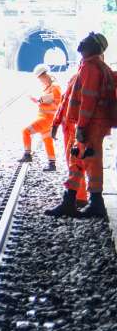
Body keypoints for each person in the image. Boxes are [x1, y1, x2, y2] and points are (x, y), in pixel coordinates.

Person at [47, 32, 115, 217]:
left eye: (87, 40)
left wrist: (82, 127)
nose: (82, 41)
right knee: (77, 159)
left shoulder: (91, 68)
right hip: (89, 124)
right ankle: (68, 201)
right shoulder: (91, 66)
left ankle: (96, 204)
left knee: (91, 162)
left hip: (91, 124)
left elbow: (88, 101)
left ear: (95, 47)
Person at [20, 63, 61, 170]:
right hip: (47, 118)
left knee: (25, 131)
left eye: (40, 78)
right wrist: (38, 100)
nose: (40, 81)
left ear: (45, 75)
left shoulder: (55, 87)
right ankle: (52, 164)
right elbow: (47, 100)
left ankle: (27, 155)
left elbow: (56, 100)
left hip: (46, 118)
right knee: (47, 140)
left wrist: (40, 99)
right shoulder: (49, 87)